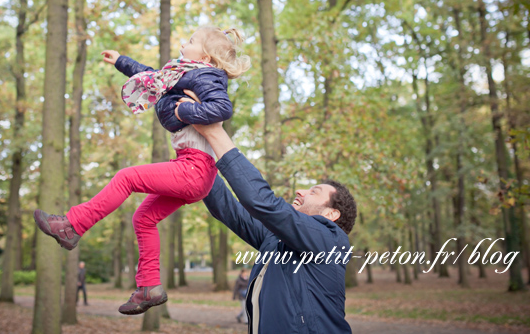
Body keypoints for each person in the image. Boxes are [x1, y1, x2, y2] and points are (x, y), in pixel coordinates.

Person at [33, 26, 251, 315]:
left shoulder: (207, 76)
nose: (184, 44)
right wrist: (122, 60)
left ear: (206, 57)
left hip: (195, 168)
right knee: (144, 217)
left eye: (191, 41)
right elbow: (154, 78)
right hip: (194, 170)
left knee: (127, 177)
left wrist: (182, 111)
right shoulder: (185, 73)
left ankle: (73, 226)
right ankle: (149, 286)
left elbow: (222, 108)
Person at [188, 117, 357, 334]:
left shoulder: (330, 239)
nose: (300, 191)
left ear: (331, 214)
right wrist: (196, 152)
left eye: (313, 192)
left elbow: (263, 203)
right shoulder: (275, 240)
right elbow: (229, 209)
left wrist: (214, 133)